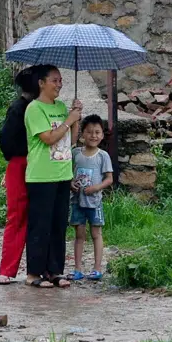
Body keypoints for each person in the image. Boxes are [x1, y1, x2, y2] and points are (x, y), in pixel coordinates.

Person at [23, 65, 82, 288]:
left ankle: (54, 270)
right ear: (41, 83)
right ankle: (34, 273)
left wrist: (76, 117)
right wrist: (68, 120)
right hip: (41, 176)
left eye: (60, 81)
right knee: (40, 225)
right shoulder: (34, 109)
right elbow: (48, 138)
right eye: (54, 80)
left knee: (58, 225)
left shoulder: (61, 107)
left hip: (62, 173)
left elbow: (71, 140)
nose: (59, 85)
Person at [0, 66, 39, 284]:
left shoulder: (36, 108)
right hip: (23, 163)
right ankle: (8, 269)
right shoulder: (19, 109)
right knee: (18, 216)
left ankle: (15, 269)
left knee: (30, 218)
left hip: (30, 163)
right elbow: (6, 140)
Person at [70, 115, 114, 281]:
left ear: (102, 135)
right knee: (79, 235)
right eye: (89, 132)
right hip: (77, 201)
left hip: (95, 203)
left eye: (97, 132)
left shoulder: (103, 156)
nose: (93, 136)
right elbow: (68, 173)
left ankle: (97, 268)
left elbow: (109, 179)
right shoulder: (75, 153)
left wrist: (96, 188)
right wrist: (70, 183)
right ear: (82, 134)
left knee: (96, 234)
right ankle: (77, 269)